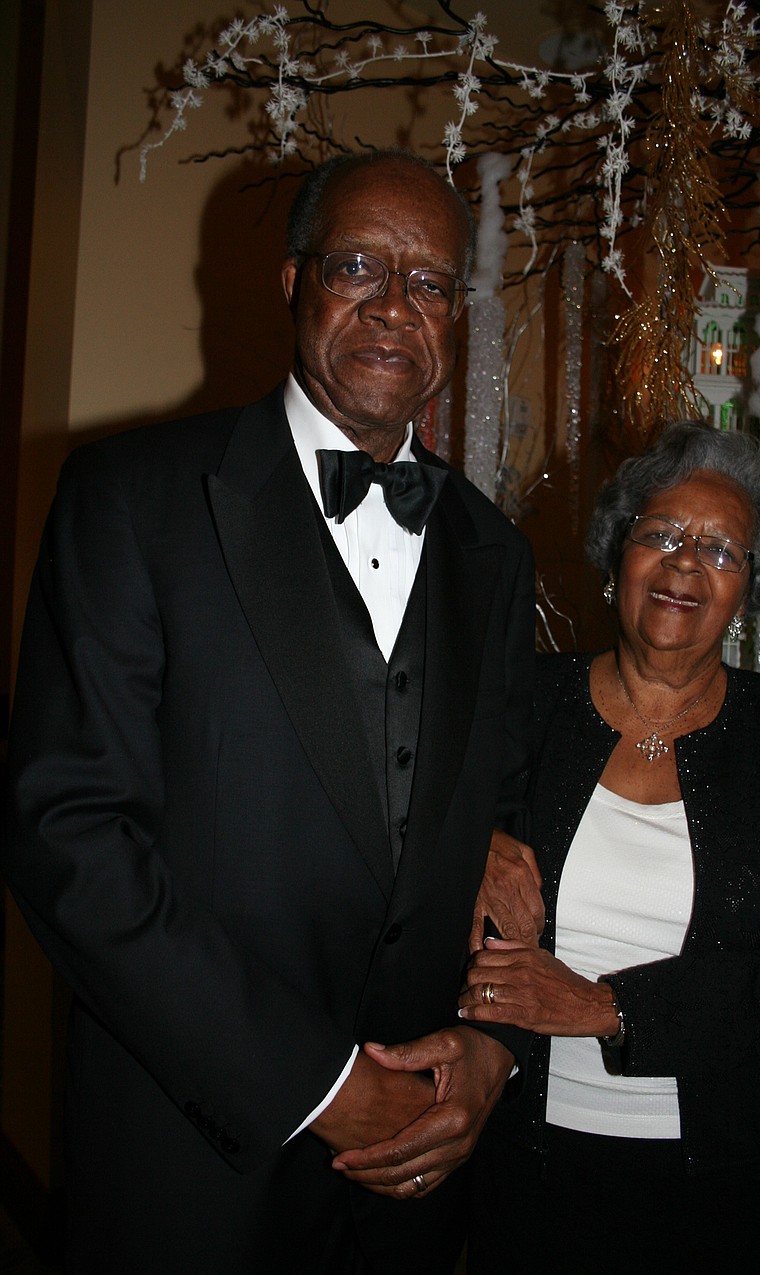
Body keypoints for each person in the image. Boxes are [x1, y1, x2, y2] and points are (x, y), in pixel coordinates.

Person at [3, 150, 536, 1275]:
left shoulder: (493, 553)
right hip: (191, 1169)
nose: (393, 306)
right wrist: (319, 1086)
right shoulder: (131, 498)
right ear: (293, 282)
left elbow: (512, 829)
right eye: (356, 267)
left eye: (430, 283)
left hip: (413, 1186)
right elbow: (69, 837)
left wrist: (490, 1043)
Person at [461, 421, 760, 1274]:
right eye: (663, 533)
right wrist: (468, 843)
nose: (685, 563)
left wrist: (612, 1008)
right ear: (618, 557)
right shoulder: (518, 707)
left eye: (720, 550)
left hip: (730, 1190)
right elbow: (404, 843)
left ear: (749, 589)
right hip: (525, 1167)